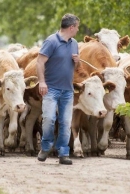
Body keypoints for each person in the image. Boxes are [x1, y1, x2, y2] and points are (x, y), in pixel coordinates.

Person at [36, 13, 80, 165]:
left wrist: (77, 61)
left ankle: (63, 153)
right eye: (77, 27)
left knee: (66, 122)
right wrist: (42, 82)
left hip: (67, 90)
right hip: (51, 89)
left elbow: (75, 67)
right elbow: (40, 62)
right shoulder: (51, 41)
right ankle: (46, 147)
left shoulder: (74, 43)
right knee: (48, 119)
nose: (77, 30)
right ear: (71, 27)